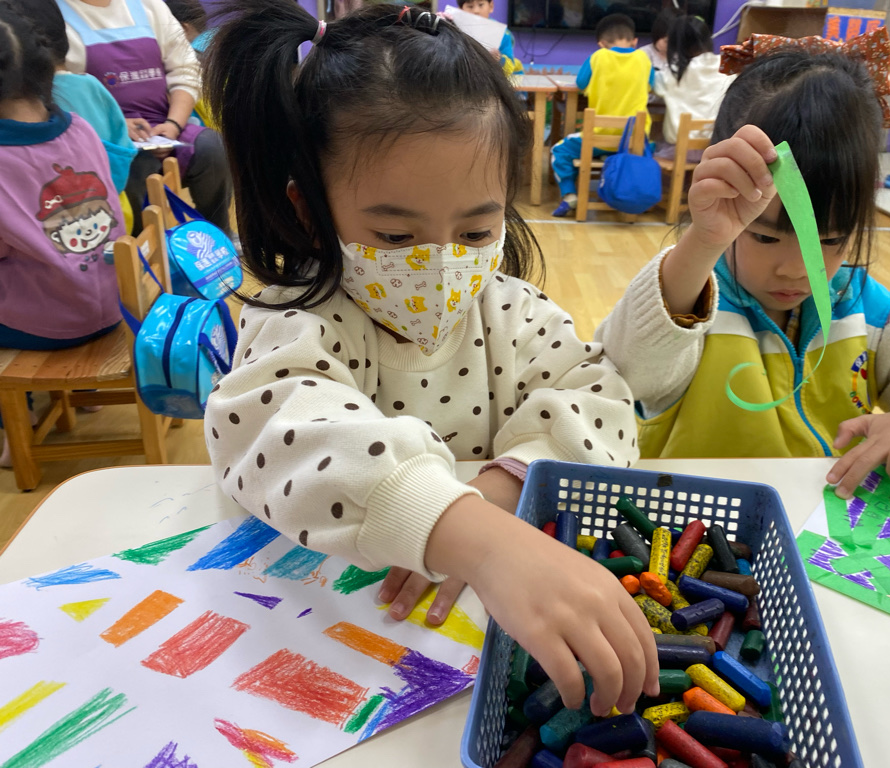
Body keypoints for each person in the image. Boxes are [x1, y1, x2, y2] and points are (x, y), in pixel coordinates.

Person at [202, 0, 659, 717]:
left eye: (476, 231)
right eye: (394, 236)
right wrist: (470, 537)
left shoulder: (511, 311)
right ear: (307, 211)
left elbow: (599, 401)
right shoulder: (296, 323)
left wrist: (500, 495)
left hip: (477, 648)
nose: (441, 265)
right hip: (325, 646)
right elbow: (281, 429)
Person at [595, 39, 890, 501]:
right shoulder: (692, 301)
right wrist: (703, 243)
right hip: (693, 524)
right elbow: (625, 371)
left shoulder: (861, 305)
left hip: (824, 526)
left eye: (831, 240)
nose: (796, 270)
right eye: (765, 237)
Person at [0, 1, 125, 466]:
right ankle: (84, 392)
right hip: (112, 307)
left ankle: (14, 427)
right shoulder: (81, 130)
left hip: (47, 324)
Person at [56, 0, 232, 235]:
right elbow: (62, 91)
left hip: (164, 123)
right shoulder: (54, 15)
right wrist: (115, 127)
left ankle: (218, 234)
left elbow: (185, 70)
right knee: (134, 168)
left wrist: (173, 124)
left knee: (213, 148)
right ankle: (141, 248)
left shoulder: (150, 6)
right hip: (102, 135)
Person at [15, 0, 136, 230]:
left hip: (64, 233)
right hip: (118, 215)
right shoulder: (91, 85)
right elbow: (123, 148)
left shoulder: (29, 105)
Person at [550, 13, 654, 217]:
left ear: (601, 44)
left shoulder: (597, 57)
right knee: (651, 145)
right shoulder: (644, 59)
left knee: (559, 151)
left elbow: (581, 84)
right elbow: (651, 85)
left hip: (598, 138)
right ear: (634, 41)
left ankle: (569, 195)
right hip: (635, 141)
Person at [653, 14, 734, 160]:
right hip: (716, 148)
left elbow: (654, 86)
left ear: (676, 45)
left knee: (652, 143)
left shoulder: (674, 73)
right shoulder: (726, 67)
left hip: (680, 151)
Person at [458, 0, 524, 75]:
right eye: (470, 6)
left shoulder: (503, 34)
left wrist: (499, 59)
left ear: (491, 6)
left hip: (493, 79)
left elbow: (510, 68)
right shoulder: (456, 31)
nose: (476, 11)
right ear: (460, 9)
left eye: (481, 5)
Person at [639, 7, 675, 73]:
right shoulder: (643, 54)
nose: (660, 42)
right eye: (658, 37)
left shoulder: (680, 57)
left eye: (666, 41)